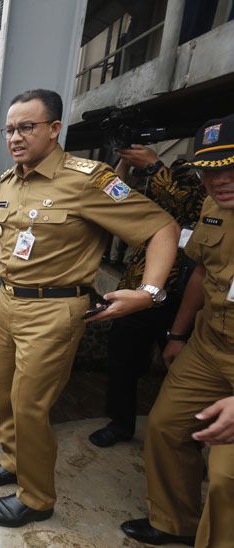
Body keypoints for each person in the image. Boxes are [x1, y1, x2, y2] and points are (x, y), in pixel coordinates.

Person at [0, 89, 179, 528]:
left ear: (53, 129)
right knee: (7, 395)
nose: (15, 137)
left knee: (30, 406)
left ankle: (36, 497)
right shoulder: (12, 180)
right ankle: (13, 462)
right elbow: (2, 235)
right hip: (10, 302)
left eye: (26, 126)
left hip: (55, 311)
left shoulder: (89, 179)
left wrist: (149, 291)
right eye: (9, 129)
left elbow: (161, 226)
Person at [121, 114, 234, 547]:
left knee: (225, 476)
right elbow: (203, 274)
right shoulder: (213, 205)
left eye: (230, 167)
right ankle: (175, 524)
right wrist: (178, 336)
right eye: (209, 171)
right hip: (209, 345)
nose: (218, 180)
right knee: (166, 427)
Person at [89, 149, 206, 448]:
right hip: (138, 292)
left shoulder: (209, 199)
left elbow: (186, 200)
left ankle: (185, 440)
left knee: (183, 372)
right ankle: (120, 423)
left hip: (185, 301)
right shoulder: (157, 201)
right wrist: (126, 161)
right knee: (122, 360)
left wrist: (155, 165)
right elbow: (114, 194)